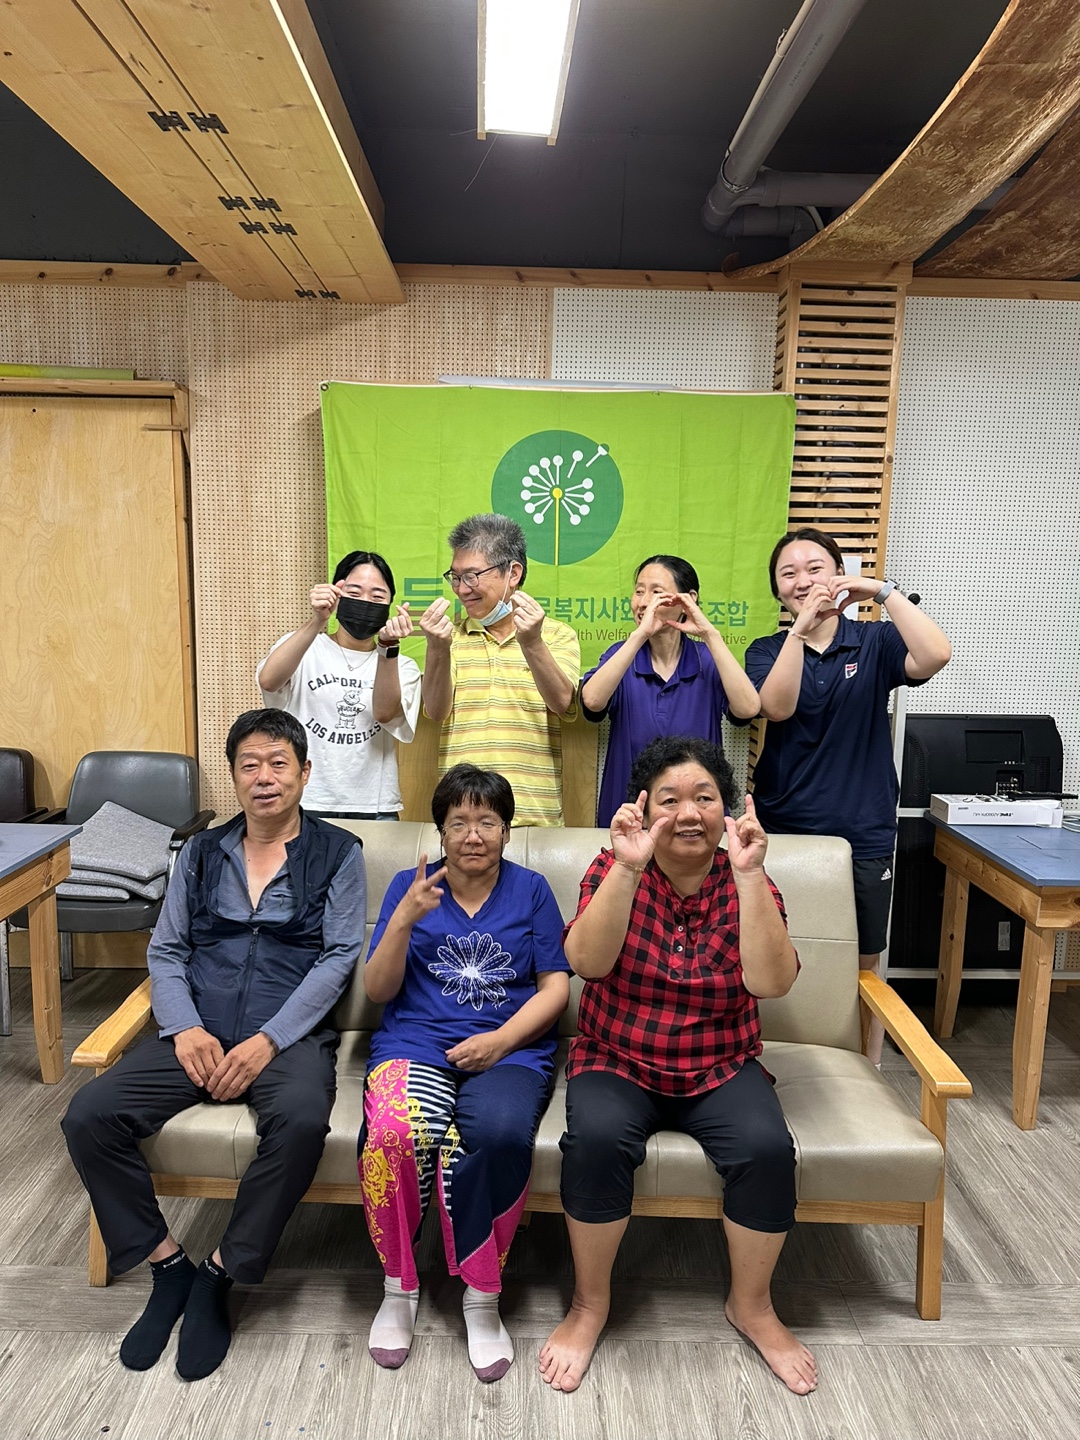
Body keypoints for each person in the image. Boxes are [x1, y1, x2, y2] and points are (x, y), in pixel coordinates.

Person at [61, 709, 366, 1381]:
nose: (265, 777)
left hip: (285, 1036)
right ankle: (166, 1264)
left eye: (279, 763)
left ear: (304, 772)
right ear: (233, 776)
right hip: (196, 1029)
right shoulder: (200, 853)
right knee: (88, 1115)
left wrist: (269, 1040)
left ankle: (220, 1274)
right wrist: (185, 1027)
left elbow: (339, 958)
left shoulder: (340, 852)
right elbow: (167, 950)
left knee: (302, 1121)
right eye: (250, 765)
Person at [539, 735, 813, 1396]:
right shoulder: (613, 866)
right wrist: (627, 869)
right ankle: (590, 1305)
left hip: (719, 1062)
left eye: (704, 798)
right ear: (645, 809)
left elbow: (772, 983)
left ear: (728, 810)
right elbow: (586, 964)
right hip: (618, 1058)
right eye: (670, 800)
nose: (688, 813)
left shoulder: (748, 875)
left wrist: (750, 876)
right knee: (596, 1142)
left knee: (767, 1149)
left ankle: (752, 1306)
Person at [359, 763, 571, 1381]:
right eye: (459, 822)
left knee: (497, 1134)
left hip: (510, 1048)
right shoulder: (409, 887)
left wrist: (501, 1041)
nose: (473, 834)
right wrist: (403, 918)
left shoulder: (531, 890)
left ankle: (482, 1295)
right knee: (396, 1132)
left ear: (506, 830)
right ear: (441, 831)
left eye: (487, 821)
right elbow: (377, 990)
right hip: (416, 1042)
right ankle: (399, 1287)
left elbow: (555, 987)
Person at [741, 527, 951, 1060]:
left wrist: (881, 591)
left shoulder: (874, 642)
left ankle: (867, 1066)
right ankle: (780, 1058)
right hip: (784, 826)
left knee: (863, 958)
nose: (803, 581)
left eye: (815, 568)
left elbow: (935, 655)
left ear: (838, 574)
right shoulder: (766, 650)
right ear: (777, 589)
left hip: (863, 827)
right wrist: (798, 633)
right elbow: (777, 707)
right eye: (788, 573)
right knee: (777, 946)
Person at [418, 514, 580, 827]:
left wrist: (532, 643)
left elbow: (562, 702)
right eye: (455, 577)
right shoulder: (450, 638)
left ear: (513, 573)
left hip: (533, 817)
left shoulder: (557, 635)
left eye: (471, 576)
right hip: (462, 818)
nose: (461, 589)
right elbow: (436, 712)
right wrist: (437, 648)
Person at [581, 554, 760, 825]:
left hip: (695, 816)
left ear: (688, 600)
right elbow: (592, 701)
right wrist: (640, 635)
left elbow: (748, 708)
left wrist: (710, 635)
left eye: (656, 592)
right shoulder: (622, 655)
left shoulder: (707, 658)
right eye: (639, 592)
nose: (643, 602)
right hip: (630, 814)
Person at [257, 550, 420, 819]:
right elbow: (269, 681)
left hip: (373, 806)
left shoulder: (401, 664)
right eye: (354, 593)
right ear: (337, 594)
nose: (365, 602)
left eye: (377, 596)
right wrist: (318, 620)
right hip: (306, 801)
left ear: (390, 603)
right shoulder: (306, 647)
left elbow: (384, 713)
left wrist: (388, 647)